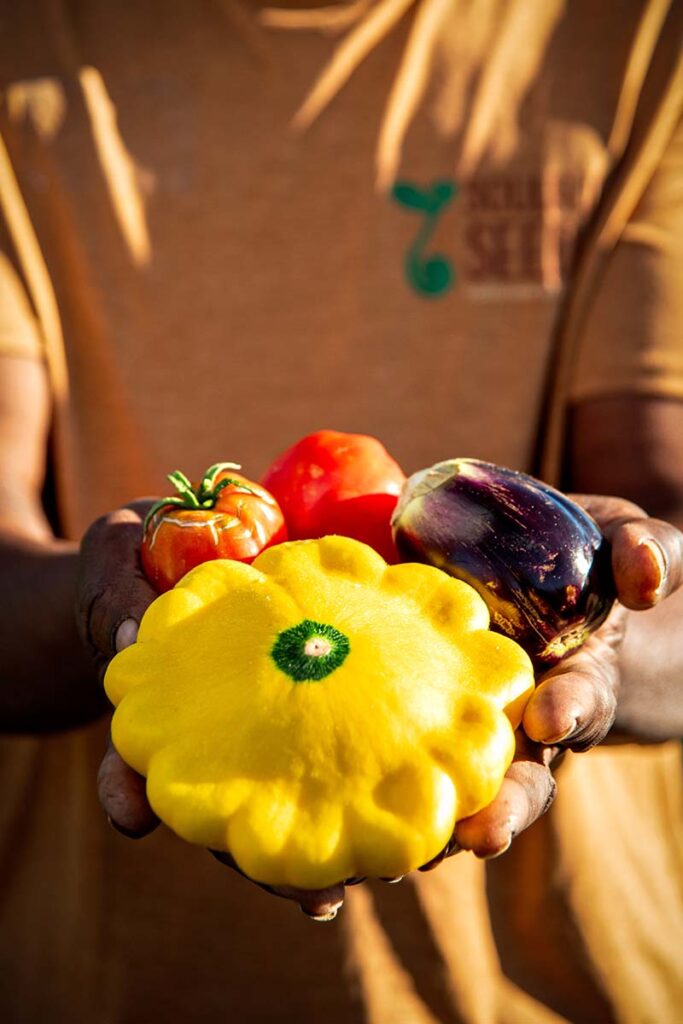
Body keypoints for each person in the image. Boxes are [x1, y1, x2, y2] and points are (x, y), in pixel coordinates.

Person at [1, 1, 682, 1021]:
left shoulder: (634, 37)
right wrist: (110, 615)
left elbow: (664, 531)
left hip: (559, 986)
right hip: (95, 985)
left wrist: (604, 640)